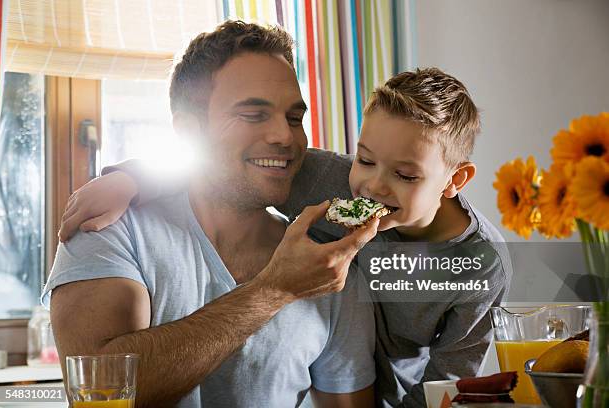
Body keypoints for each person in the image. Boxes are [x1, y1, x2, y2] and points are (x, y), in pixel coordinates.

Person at [60, 67, 512, 406]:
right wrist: (130, 178)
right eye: (366, 160)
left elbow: (451, 381)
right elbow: (218, 166)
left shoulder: (482, 265)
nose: (373, 187)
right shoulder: (329, 180)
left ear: (456, 180)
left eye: (405, 175)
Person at [43, 21, 380, 408]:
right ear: (189, 131)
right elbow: (100, 395)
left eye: (294, 117)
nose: (285, 137)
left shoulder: (328, 266)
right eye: (253, 115)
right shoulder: (109, 229)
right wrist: (274, 289)